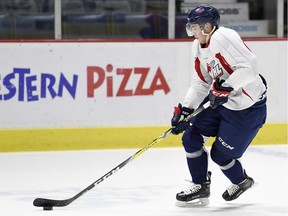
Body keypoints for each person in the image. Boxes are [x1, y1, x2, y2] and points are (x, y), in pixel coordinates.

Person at [171, 5, 267, 206]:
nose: (193, 32)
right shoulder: (197, 46)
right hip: (221, 101)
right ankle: (200, 186)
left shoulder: (224, 36)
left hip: (246, 108)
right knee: (191, 137)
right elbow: (200, 83)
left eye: (195, 27)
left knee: (220, 155)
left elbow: (250, 67)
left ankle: (242, 181)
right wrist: (186, 110)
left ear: (207, 25)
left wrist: (227, 87)